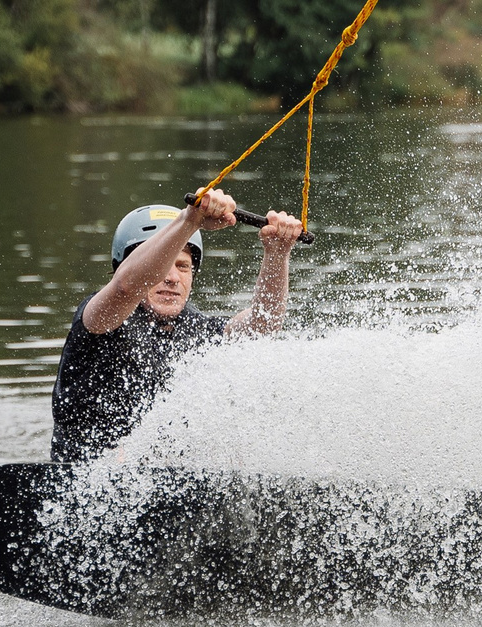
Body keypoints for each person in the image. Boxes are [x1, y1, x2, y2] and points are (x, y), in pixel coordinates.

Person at [49, 189, 304, 465]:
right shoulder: (100, 318)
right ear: (125, 266)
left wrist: (277, 255)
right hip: (82, 482)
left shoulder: (196, 328)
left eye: (182, 266)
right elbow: (125, 287)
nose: (172, 278)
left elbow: (261, 326)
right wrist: (190, 222)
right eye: (162, 267)